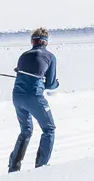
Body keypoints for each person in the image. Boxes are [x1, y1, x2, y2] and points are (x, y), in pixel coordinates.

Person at [8, 27, 60, 172]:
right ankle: (41, 168)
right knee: (49, 129)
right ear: (46, 42)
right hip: (34, 97)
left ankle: (13, 167)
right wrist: (57, 83)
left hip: (17, 97)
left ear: (32, 41)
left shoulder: (23, 55)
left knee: (26, 131)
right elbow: (50, 84)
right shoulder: (50, 57)